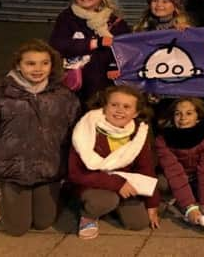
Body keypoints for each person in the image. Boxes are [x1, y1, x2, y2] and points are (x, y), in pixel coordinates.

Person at [0, 39, 80, 236]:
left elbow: (75, 134)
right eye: (30, 63)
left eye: (44, 63)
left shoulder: (64, 96)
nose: (38, 69)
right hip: (14, 171)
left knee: (43, 223)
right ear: (18, 66)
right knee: (17, 229)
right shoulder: (0, 97)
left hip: (49, 170)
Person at [68, 85, 160, 239]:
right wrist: (117, 184)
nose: (119, 110)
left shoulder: (139, 133)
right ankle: (88, 215)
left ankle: (113, 207)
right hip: (91, 183)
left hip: (123, 183)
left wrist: (152, 204)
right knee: (106, 200)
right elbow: (76, 174)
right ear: (105, 106)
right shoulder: (86, 128)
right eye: (114, 105)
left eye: (126, 107)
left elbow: (146, 170)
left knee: (138, 223)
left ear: (136, 113)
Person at [49, 0, 130, 104]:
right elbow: (57, 44)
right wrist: (93, 43)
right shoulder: (67, 17)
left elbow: (125, 49)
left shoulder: (115, 20)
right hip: (74, 82)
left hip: (105, 83)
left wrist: (115, 65)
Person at [154, 98, 204, 231]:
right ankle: (179, 201)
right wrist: (190, 207)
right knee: (161, 182)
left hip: (197, 177)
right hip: (175, 178)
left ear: (198, 117)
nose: (182, 118)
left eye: (189, 113)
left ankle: (200, 199)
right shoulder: (162, 139)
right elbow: (174, 172)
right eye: (178, 114)